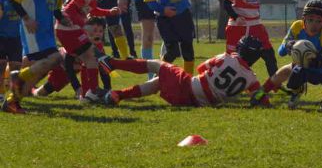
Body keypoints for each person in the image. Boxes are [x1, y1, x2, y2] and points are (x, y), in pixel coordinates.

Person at [100, 36, 265, 107]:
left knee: (157, 65)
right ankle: (118, 95)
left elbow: (201, 69)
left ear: (240, 48)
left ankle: (113, 63)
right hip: (197, 103)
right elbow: (260, 97)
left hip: (189, 87)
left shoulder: (226, 57)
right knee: (157, 83)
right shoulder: (252, 78)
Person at [4, 0, 70, 113]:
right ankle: (17, 79)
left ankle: (11, 101)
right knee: (54, 59)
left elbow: (55, 7)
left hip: (46, 32)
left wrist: (62, 18)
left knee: (40, 69)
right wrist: (26, 19)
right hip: (32, 31)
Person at [258, 0, 322, 112]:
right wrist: (287, 45)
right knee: (293, 74)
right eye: (310, 20)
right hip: (304, 67)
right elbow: (281, 52)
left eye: (319, 21)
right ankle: (293, 90)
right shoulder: (297, 27)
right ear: (303, 19)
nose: (314, 24)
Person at [56, 0, 120, 101]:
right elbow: (69, 10)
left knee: (90, 59)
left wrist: (109, 12)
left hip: (69, 30)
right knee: (90, 55)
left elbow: (93, 11)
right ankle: (91, 90)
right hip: (68, 30)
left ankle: (88, 93)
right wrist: (82, 25)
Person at [33, 17, 112, 97]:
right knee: (41, 86)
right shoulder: (78, 43)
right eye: (94, 30)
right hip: (61, 66)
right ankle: (29, 87)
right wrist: (77, 88)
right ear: (85, 31)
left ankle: (31, 87)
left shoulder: (99, 47)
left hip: (69, 69)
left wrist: (108, 89)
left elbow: (103, 69)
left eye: (101, 31)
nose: (98, 34)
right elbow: (69, 67)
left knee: (43, 92)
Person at [0, 0, 24, 104]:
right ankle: (1, 94)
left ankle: (13, 97)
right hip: (1, 37)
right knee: (1, 66)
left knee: (15, 68)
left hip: (17, 37)